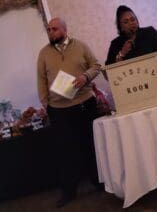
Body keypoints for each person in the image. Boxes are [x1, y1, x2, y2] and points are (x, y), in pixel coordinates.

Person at [37, 17, 101, 208]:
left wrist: (85, 76)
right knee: (66, 153)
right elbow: (41, 80)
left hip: (84, 104)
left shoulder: (80, 46)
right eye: (48, 30)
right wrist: (46, 104)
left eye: (54, 29)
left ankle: (100, 182)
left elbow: (96, 66)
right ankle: (69, 192)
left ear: (64, 30)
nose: (50, 33)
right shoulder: (43, 53)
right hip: (59, 110)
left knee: (91, 145)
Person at [105, 5, 157, 97]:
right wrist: (121, 53)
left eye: (133, 19)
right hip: (135, 92)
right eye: (126, 22)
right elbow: (109, 71)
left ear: (137, 21)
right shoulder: (116, 44)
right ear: (120, 27)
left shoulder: (150, 33)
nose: (131, 23)